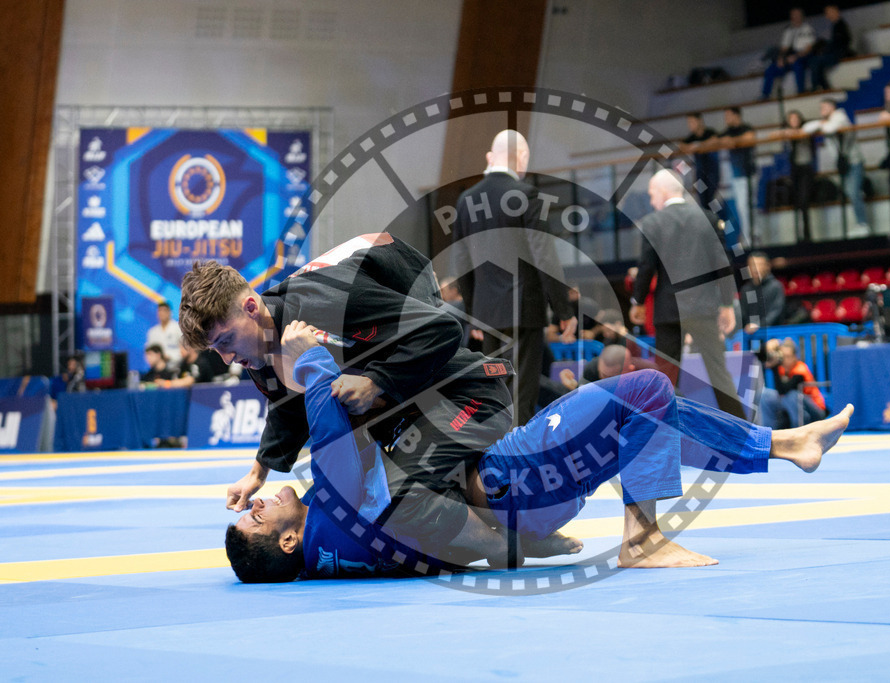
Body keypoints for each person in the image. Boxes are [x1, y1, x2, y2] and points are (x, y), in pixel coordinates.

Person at [224, 320, 855, 582]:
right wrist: (307, 355)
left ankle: (780, 443)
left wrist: (529, 544)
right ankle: (643, 539)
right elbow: (333, 449)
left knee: (640, 417)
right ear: (286, 542)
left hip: (521, 497)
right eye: (255, 516)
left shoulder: (340, 552)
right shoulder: (331, 517)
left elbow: (446, 550)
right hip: (514, 476)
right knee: (647, 387)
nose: (256, 504)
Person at [180, 232, 528, 562]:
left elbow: (442, 328)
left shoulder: (331, 304)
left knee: (396, 492)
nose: (227, 358)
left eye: (225, 341)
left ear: (251, 308)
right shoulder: (256, 348)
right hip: (420, 399)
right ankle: (515, 529)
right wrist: (259, 472)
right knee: (379, 476)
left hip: (434, 331)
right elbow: (285, 406)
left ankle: (506, 546)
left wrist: (377, 381)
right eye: (216, 350)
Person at [449, 129, 578, 427]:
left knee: (495, 391)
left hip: (487, 313)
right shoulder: (527, 194)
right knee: (521, 395)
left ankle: (493, 461)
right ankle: (518, 464)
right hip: (524, 310)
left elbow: (462, 264)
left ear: (489, 158)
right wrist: (563, 310)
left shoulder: (466, 200)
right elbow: (543, 256)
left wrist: (473, 315)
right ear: (522, 157)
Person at [628, 169, 745, 419]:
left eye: (651, 194)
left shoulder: (652, 223)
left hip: (668, 311)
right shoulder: (708, 219)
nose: (651, 201)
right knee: (719, 373)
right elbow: (722, 265)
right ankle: (742, 431)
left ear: (662, 192)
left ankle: (664, 433)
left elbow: (646, 267)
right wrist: (726, 305)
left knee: (666, 377)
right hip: (703, 309)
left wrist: (637, 302)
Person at [803, 98, 870, 236]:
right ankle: (860, 222)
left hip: (854, 161)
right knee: (850, 192)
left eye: (824, 107)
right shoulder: (827, 121)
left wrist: (821, 124)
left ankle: (863, 224)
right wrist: (821, 123)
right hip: (843, 165)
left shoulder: (839, 117)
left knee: (852, 192)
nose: (821, 110)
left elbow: (830, 128)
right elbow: (805, 129)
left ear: (832, 107)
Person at [759, 338, 827, 428]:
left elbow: (785, 390)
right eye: (783, 357)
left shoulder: (800, 369)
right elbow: (760, 357)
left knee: (792, 395)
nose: (785, 360)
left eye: (788, 356)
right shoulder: (782, 368)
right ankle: (770, 431)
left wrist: (775, 367)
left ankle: (798, 430)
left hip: (815, 410)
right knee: (765, 395)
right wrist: (768, 346)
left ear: (795, 356)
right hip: (793, 407)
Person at [719, 107, 757, 246]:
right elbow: (719, 141)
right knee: (742, 207)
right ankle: (748, 236)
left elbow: (750, 137)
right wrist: (730, 140)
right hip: (736, 175)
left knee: (748, 206)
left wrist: (734, 141)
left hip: (748, 172)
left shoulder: (745, 128)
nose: (726, 119)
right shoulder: (727, 132)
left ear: (736, 115)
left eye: (728, 116)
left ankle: (751, 237)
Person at [761, 7, 817, 99]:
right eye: (793, 15)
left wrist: (796, 56)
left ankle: (801, 92)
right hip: (789, 56)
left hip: (803, 56)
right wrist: (780, 59)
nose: (795, 17)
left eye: (797, 15)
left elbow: (808, 49)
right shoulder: (788, 30)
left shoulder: (807, 29)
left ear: (801, 16)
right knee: (771, 69)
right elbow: (784, 48)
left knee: (797, 64)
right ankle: (765, 94)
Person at [783, 110, 816, 242]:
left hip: (806, 169)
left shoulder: (806, 130)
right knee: (797, 200)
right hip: (794, 170)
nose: (794, 121)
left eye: (796, 118)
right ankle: (798, 234)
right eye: (791, 119)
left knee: (804, 200)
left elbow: (809, 131)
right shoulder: (787, 134)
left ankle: (807, 234)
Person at [680, 112, 720, 211]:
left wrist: (698, 146)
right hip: (699, 175)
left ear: (699, 121)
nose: (690, 125)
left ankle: (717, 221)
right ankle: (708, 221)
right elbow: (682, 146)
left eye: (692, 122)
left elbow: (715, 140)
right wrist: (697, 146)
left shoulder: (709, 133)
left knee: (712, 198)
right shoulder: (691, 137)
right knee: (703, 200)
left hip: (712, 173)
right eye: (689, 123)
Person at [808, 5, 853, 92]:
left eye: (828, 12)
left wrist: (827, 49)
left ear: (835, 11)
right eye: (826, 13)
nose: (827, 15)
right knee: (815, 61)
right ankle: (824, 87)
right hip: (835, 52)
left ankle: (817, 86)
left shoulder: (841, 25)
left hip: (839, 53)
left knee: (816, 61)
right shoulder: (836, 25)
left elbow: (843, 41)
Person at [739, 252, 786, 334]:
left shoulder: (776, 287)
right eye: (752, 265)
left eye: (759, 265)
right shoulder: (745, 289)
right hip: (750, 336)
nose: (755, 268)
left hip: (773, 334)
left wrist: (759, 325)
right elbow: (743, 314)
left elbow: (776, 312)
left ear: (767, 266)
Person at [559, 344, 636, 391]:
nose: (605, 381)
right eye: (603, 375)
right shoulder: (592, 369)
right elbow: (580, 397)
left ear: (629, 371)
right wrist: (572, 387)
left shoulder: (642, 376)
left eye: (611, 378)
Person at [146, 301, 182, 369]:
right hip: (158, 369)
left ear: (170, 312)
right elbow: (149, 353)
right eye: (159, 311)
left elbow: (184, 350)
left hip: (176, 366)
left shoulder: (178, 328)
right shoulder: (152, 332)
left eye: (164, 311)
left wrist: (170, 357)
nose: (162, 313)